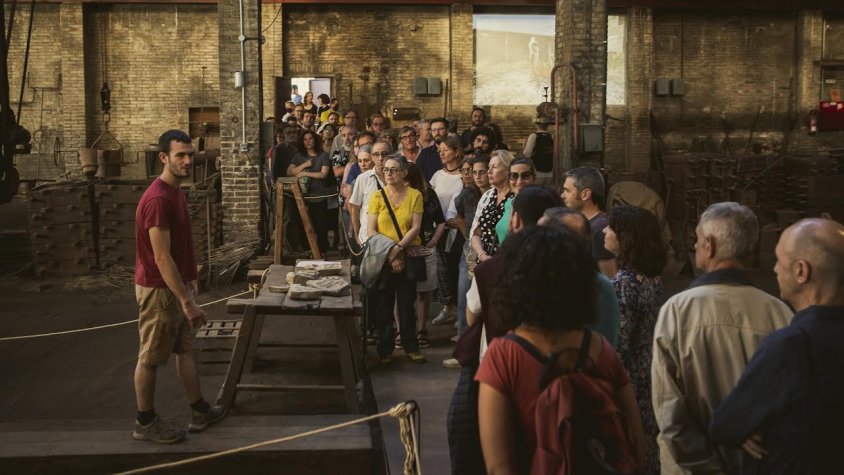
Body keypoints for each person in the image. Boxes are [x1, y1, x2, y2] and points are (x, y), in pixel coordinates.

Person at [475, 226, 646, 474]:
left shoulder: (503, 357)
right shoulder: (600, 349)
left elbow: (498, 466)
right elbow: (635, 442)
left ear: (515, 281)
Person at [652, 202, 793, 475]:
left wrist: (710, 469)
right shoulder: (779, 312)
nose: (695, 245)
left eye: (697, 238)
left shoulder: (677, 310)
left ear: (709, 245)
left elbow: (671, 416)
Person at [709, 218, 844, 475]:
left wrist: (751, 426)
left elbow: (726, 426)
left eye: (780, 260)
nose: (774, 269)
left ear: (801, 271)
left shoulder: (792, 345)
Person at [446, 185, 562, 474]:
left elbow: (472, 313)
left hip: (498, 369)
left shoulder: (493, 269)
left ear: (516, 220)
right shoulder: (570, 270)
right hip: (559, 369)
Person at [133, 130, 226, 444]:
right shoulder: (158, 199)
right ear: (164, 158)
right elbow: (161, 257)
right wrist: (186, 301)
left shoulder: (175, 192)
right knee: (150, 356)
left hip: (176, 286)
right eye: (180, 156)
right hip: (159, 290)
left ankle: (199, 410)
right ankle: (145, 421)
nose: (187, 161)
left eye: (190, 155)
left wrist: (189, 278)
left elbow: (179, 247)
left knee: (186, 348)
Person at [603, 205, 667, 474]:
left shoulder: (624, 282)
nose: (605, 231)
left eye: (611, 228)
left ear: (625, 237)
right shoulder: (651, 277)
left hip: (630, 378)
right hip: (648, 371)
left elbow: (620, 341)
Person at [367, 155, 426, 364]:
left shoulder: (415, 195)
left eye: (394, 169)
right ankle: (385, 349)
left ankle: (411, 346)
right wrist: (391, 254)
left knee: (406, 304)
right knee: (384, 305)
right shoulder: (377, 197)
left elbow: (416, 227)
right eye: (386, 169)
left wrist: (399, 249)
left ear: (404, 173)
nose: (389, 173)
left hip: (408, 254)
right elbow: (371, 230)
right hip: (384, 257)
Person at [446, 156, 489, 349]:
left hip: (490, 250)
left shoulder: (495, 195)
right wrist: (467, 234)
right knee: (464, 295)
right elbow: (459, 216)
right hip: (470, 250)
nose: (477, 176)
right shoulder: (466, 195)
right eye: (474, 172)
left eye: (481, 172)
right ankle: (464, 344)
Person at [405, 163, 445, 349]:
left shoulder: (428, 194)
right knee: (404, 294)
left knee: (423, 292)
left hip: (425, 248)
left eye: (406, 179)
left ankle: (421, 330)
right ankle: (403, 331)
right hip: (404, 248)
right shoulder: (397, 194)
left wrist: (433, 241)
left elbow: (441, 222)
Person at [430, 135, 466, 328]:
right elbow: (430, 201)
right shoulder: (437, 175)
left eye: (446, 150)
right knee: (442, 270)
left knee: (457, 269)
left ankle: (461, 310)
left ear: (457, 152)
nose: (442, 153)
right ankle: (447, 307)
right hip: (440, 228)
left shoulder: (464, 176)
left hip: (459, 229)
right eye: (440, 150)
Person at [561, 166, 616, 278]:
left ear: (585, 194)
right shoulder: (589, 224)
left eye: (567, 191)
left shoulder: (600, 229)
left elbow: (609, 277)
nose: (562, 195)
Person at [288, 130, 332, 254]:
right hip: (303, 197)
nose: (308, 141)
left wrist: (305, 174)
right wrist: (304, 165)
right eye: (305, 139)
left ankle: (321, 251)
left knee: (321, 226)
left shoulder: (323, 155)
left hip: (319, 196)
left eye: (310, 138)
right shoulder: (299, 156)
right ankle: (307, 250)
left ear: (315, 140)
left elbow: (323, 174)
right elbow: (289, 172)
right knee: (303, 225)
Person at [469, 149, 514, 262]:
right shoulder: (487, 195)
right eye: (489, 167)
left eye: (494, 167)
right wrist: (482, 255)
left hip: (506, 261)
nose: (489, 171)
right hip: (484, 261)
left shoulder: (515, 197)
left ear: (507, 170)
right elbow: (476, 233)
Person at [349, 141, 390, 246]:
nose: (380, 158)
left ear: (391, 155)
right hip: (368, 238)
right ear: (372, 156)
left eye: (384, 154)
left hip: (393, 237)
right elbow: (355, 208)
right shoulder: (363, 178)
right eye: (376, 154)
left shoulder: (399, 177)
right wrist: (357, 234)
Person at [496, 158, 536, 245]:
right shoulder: (508, 202)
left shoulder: (539, 205)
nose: (519, 181)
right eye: (514, 176)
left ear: (534, 178)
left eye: (526, 176)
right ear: (509, 178)